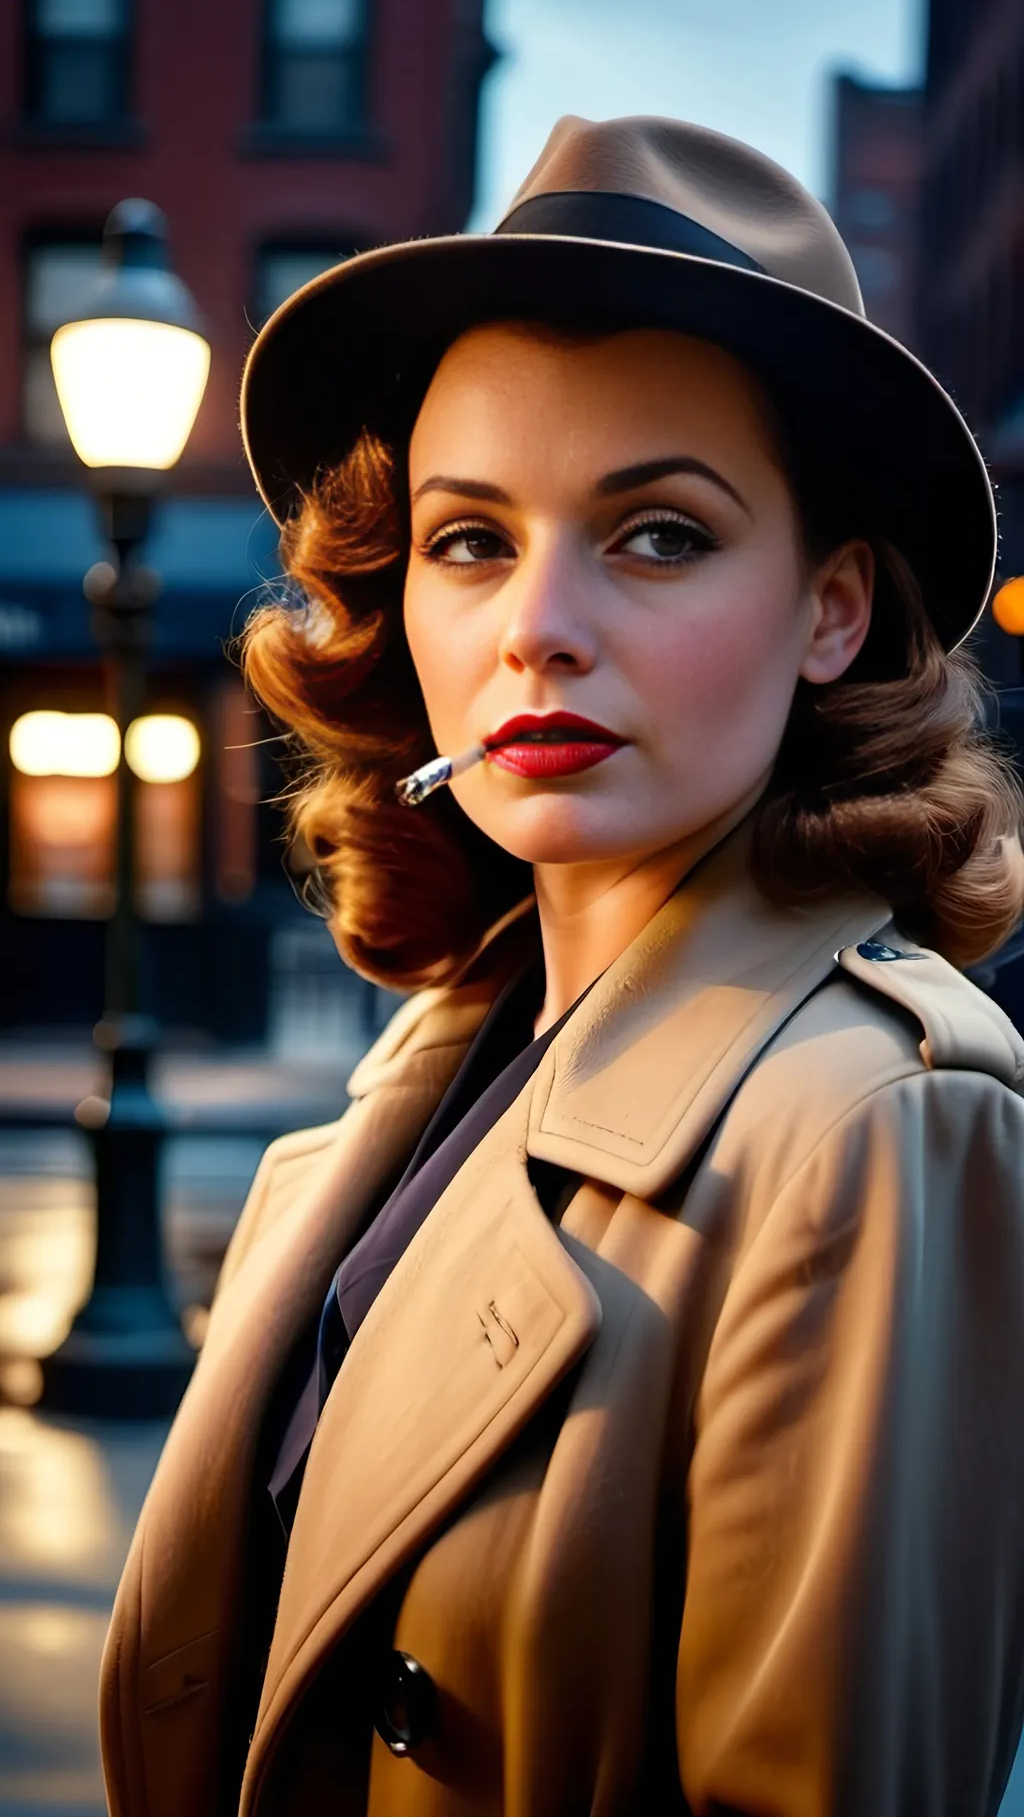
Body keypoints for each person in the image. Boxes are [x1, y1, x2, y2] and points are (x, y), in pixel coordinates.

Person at [100, 116, 1024, 1817]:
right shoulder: (450, 1051)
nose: (537, 623)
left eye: (659, 532)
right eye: (470, 540)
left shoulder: (869, 1120)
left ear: (829, 611)